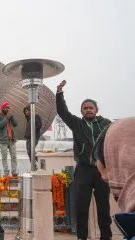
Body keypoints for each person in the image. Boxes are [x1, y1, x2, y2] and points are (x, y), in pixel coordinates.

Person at [56, 80, 112, 240]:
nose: (88, 110)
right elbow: (62, 111)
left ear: (96, 110)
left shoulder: (107, 124)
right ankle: (82, 237)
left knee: (103, 208)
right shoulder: (77, 124)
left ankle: (106, 237)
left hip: (102, 170)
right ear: (82, 111)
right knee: (82, 207)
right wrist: (59, 93)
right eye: (85, 108)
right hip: (83, 170)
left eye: (91, 108)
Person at [0, 101, 18, 176]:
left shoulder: (9, 117)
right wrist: (6, 119)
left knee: (14, 156)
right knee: (4, 157)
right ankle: (6, 172)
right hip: (3, 140)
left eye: (8, 108)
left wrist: (12, 117)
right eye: (6, 107)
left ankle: (14, 171)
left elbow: (16, 124)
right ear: (2, 108)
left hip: (11, 139)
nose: (7, 109)